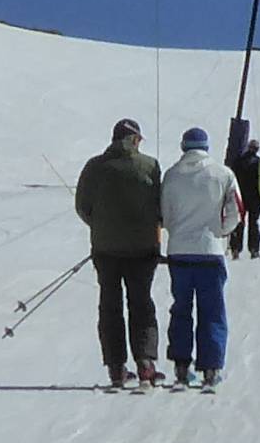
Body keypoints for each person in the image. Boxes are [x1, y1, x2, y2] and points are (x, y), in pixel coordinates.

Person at [75, 118, 163, 388]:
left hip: (106, 249)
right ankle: (145, 362)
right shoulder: (149, 165)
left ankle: (116, 367)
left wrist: (101, 226)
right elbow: (159, 204)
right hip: (143, 249)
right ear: (135, 139)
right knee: (141, 304)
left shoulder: (94, 166)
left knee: (110, 306)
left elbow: (82, 206)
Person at [162, 127, 244, 388]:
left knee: (181, 309)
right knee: (212, 311)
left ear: (183, 147)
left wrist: (177, 231)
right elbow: (237, 210)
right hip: (210, 251)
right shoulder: (222, 173)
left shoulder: (172, 175)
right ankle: (211, 368)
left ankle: (181, 367)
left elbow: (165, 213)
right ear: (206, 147)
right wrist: (221, 231)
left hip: (179, 251)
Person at [229, 140, 260, 259]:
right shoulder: (259, 163)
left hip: (240, 196)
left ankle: (236, 248)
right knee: (254, 223)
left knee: (239, 222)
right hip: (255, 197)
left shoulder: (238, 161)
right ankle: (254, 249)